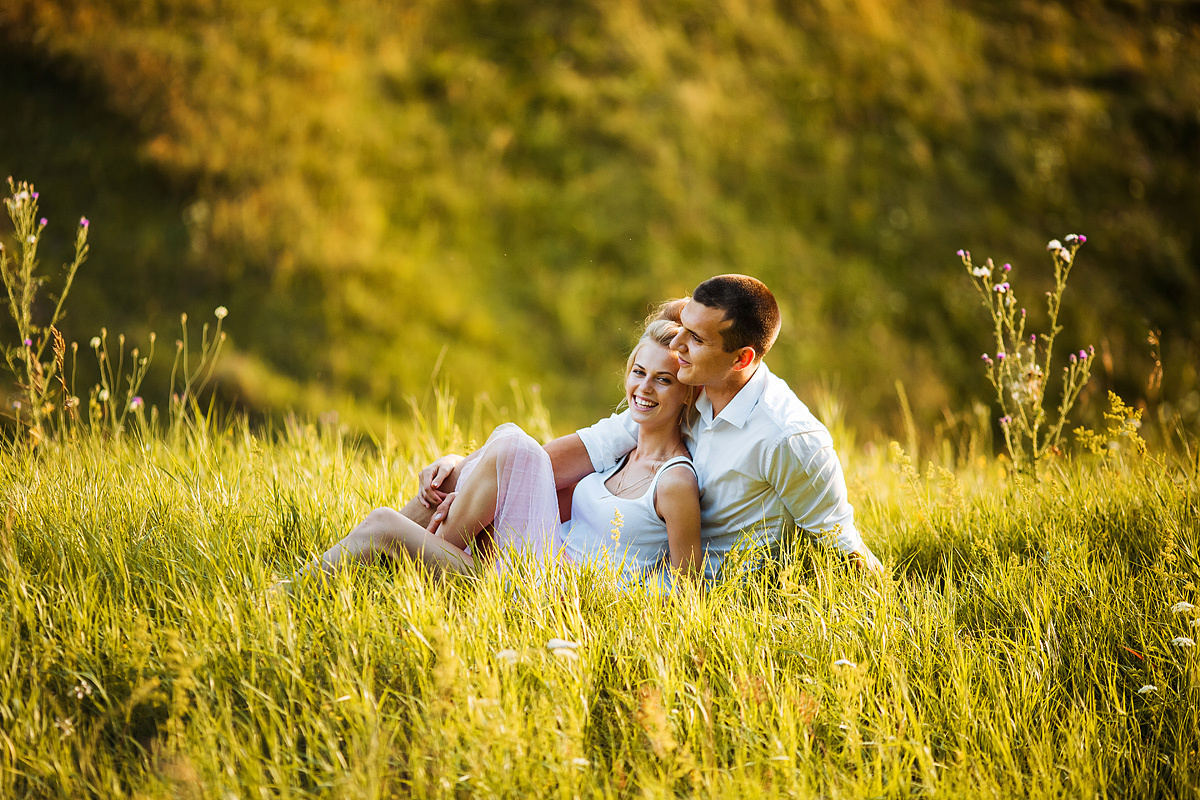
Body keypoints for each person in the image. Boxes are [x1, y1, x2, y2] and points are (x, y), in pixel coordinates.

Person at [411, 275, 883, 579]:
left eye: (694, 339)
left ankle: (411, 560)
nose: (678, 345)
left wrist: (892, 625)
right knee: (455, 477)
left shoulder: (788, 439)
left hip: (656, 576)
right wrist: (469, 468)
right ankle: (400, 563)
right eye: (682, 329)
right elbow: (576, 452)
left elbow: (842, 542)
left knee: (464, 491)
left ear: (742, 359)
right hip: (588, 547)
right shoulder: (689, 386)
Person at [284, 319, 702, 586]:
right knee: (515, 449)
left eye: (664, 380)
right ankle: (429, 555)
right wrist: (458, 463)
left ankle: (288, 592)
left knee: (383, 525)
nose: (644, 388)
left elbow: (687, 592)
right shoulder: (619, 450)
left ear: (687, 392)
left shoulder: (676, 480)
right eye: (638, 372)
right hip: (538, 557)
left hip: (550, 594)